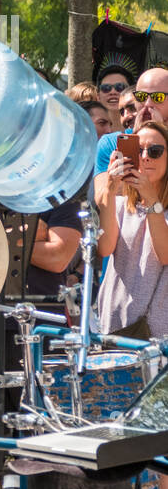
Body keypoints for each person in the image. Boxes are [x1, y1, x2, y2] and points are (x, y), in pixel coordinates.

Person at [96, 120, 168, 338]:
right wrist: (109, 188)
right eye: (138, 150)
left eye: (155, 151)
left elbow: (165, 255)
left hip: (160, 337)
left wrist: (151, 199)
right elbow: (104, 248)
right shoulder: (118, 205)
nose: (145, 156)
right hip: (117, 326)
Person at [94, 68, 168, 175]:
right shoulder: (111, 143)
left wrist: (161, 134)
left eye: (157, 97)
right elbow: (103, 191)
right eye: (141, 97)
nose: (147, 104)